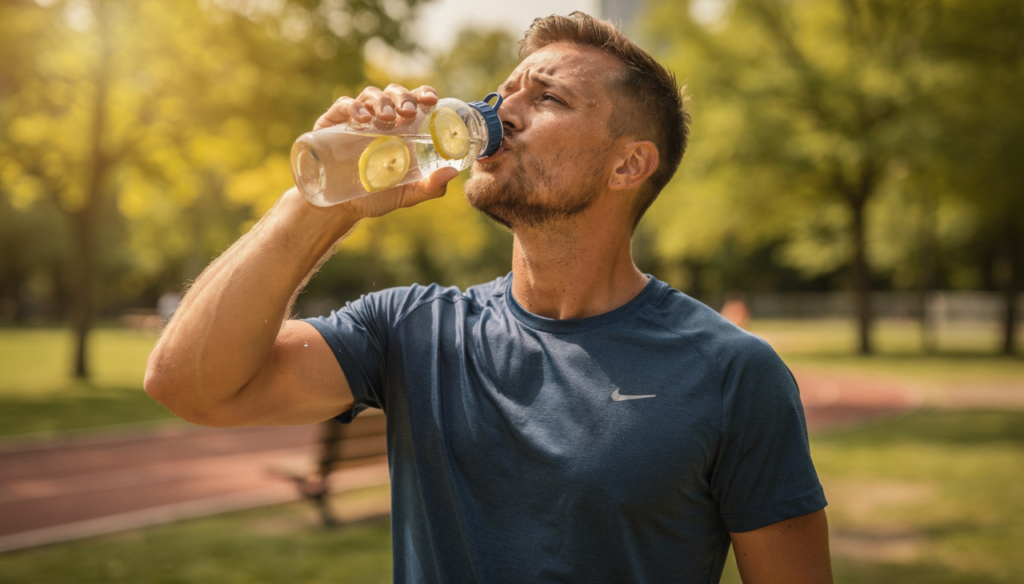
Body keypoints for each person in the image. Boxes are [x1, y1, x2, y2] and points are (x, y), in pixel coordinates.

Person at [145, 12, 831, 584]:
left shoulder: (732, 374)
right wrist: (322, 203)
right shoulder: (412, 329)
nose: (502, 112)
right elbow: (190, 385)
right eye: (505, 92)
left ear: (629, 163)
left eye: (548, 98)